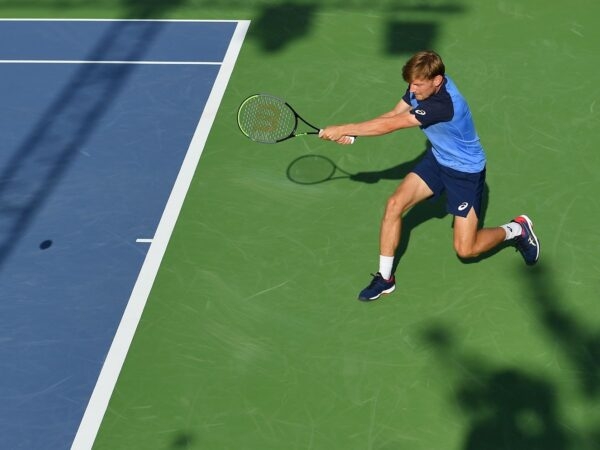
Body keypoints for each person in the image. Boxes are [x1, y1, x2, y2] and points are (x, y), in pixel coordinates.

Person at [319, 50, 540, 301]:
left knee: (466, 249)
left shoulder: (443, 104)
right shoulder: (423, 85)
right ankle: (385, 278)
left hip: (464, 172)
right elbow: (393, 114)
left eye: (417, 85)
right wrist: (355, 133)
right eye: (410, 84)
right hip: (437, 159)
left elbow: (393, 125)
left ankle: (517, 229)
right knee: (394, 205)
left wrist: (343, 127)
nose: (412, 90)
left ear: (437, 81)